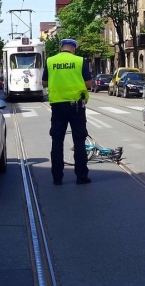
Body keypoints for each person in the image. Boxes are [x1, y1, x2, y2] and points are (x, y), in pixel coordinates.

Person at [42, 39, 93, 185]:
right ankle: (81, 176)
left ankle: (57, 178)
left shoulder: (50, 61)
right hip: (76, 106)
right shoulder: (79, 61)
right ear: (73, 48)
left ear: (62, 48)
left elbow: (44, 83)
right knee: (79, 140)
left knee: (57, 140)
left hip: (57, 106)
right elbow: (89, 84)